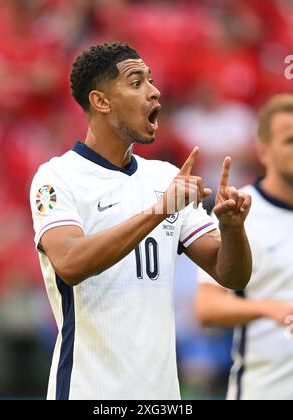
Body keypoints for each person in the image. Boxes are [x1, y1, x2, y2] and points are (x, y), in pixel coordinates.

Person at [30, 42, 252, 400]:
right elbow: (70, 263)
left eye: (151, 80)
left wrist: (233, 227)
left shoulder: (164, 177)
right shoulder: (56, 177)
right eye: (137, 82)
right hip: (88, 392)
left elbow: (231, 274)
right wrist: (159, 211)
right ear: (101, 101)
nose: (154, 91)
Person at [195, 94, 293, 401]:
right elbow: (206, 307)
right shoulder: (237, 212)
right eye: (290, 140)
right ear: (263, 151)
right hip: (264, 389)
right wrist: (269, 308)